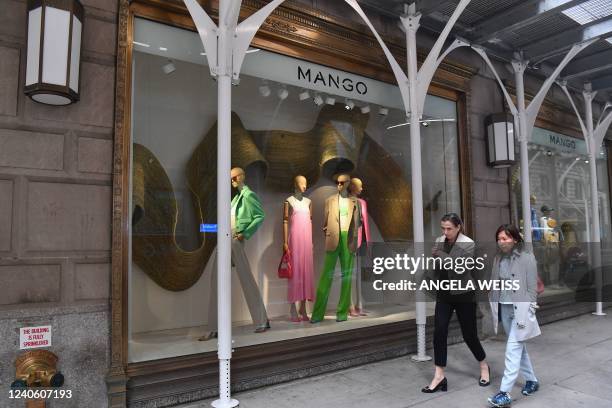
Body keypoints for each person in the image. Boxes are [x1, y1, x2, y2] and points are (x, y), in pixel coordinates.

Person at [199, 167, 269, 341]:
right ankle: (214, 327)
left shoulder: (248, 195)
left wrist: (244, 233)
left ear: (242, 177)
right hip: (225, 238)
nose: (233, 181)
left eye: (235, 178)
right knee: (216, 279)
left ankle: (261, 321)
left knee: (246, 278)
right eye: (231, 179)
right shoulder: (236, 198)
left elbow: (260, 215)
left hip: (235, 240)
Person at [422, 213, 489, 393]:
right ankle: (439, 375)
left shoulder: (468, 243)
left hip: (464, 294)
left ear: (459, 226)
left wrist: (441, 255)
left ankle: (483, 365)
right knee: (439, 332)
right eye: (443, 228)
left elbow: (461, 268)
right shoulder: (439, 240)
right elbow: (437, 265)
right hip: (444, 293)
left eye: (449, 228)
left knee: (469, 335)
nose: (445, 232)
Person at [487, 224, 540, 407]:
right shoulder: (498, 258)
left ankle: (504, 392)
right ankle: (532, 380)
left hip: (521, 310)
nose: (501, 242)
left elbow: (532, 287)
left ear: (515, 239)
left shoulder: (527, 257)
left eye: (505, 238)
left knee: (512, 349)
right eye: (499, 239)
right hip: (504, 306)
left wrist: (530, 309)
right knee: (519, 347)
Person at [310, 173, 361, 323]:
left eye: (342, 182)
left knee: (347, 279)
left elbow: (358, 223)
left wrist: (354, 240)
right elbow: (325, 223)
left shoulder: (355, 202)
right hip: (333, 239)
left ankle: (342, 313)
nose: (338, 185)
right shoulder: (330, 201)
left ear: (347, 184)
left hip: (349, 240)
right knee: (326, 276)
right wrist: (331, 234)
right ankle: (317, 314)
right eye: (337, 183)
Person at [283, 175, 314, 322]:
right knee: (295, 274)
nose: (304, 186)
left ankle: (303, 308)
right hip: (294, 241)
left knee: (306, 273)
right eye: (302, 183)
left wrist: (312, 242)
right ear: (295, 184)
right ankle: (292, 309)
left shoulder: (309, 202)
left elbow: (310, 222)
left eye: (306, 183)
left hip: (307, 242)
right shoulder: (289, 201)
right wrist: (285, 242)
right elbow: (285, 222)